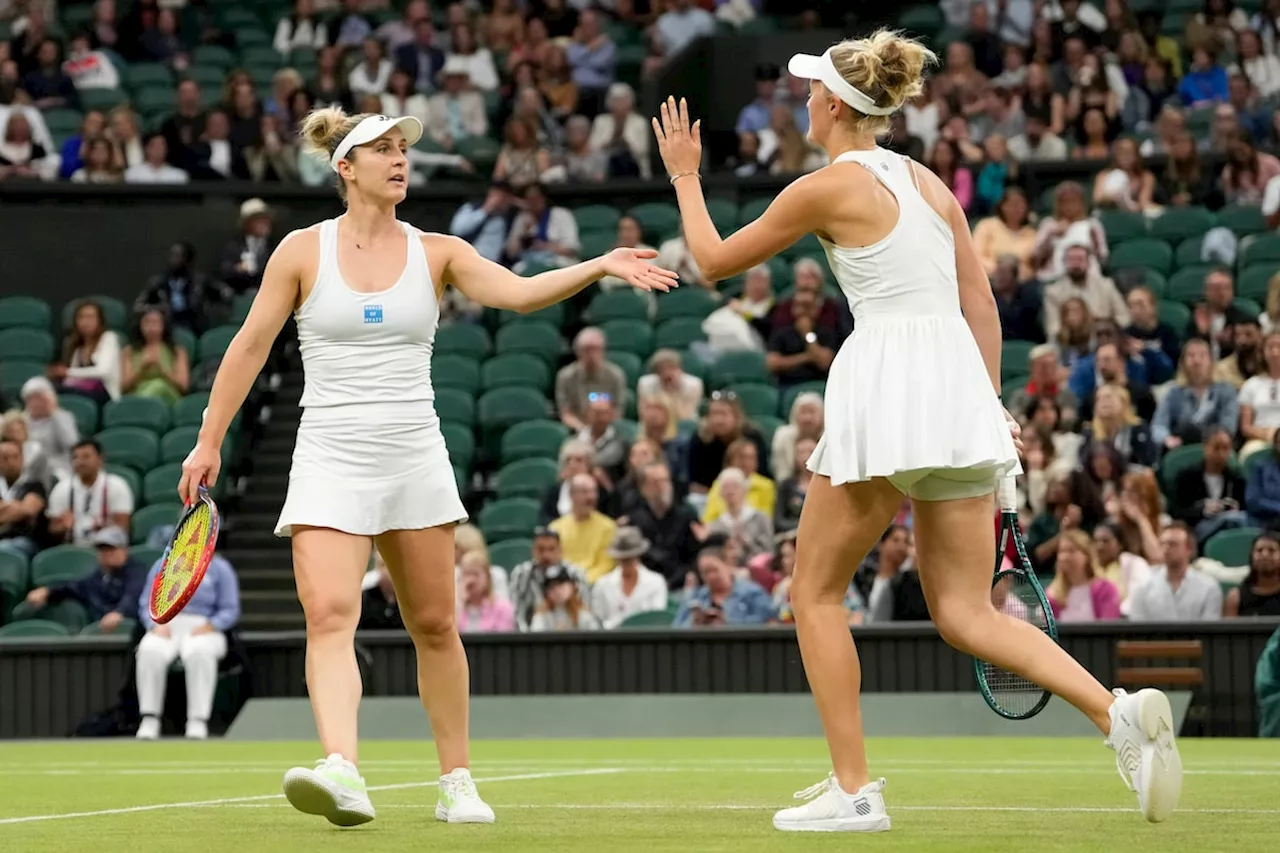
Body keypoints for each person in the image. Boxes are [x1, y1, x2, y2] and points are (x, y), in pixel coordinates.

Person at [650, 29, 1182, 832]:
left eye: (809, 89)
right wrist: (987, 397)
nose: (802, 99)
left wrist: (686, 177)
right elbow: (981, 302)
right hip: (956, 387)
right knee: (968, 612)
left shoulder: (824, 187)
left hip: (890, 385)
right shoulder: (930, 182)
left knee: (815, 591)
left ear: (833, 103)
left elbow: (714, 259)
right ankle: (1115, 714)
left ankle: (855, 788)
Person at [177, 107, 675, 829]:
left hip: (414, 448)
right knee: (329, 615)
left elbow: (519, 291)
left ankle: (456, 780)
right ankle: (342, 767)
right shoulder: (300, 251)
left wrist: (598, 264)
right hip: (330, 450)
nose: (399, 158)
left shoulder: (438, 250)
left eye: (403, 147)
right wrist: (208, 439)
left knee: (436, 623)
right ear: (346, 168)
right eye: (382, 149)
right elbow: (250, 347)